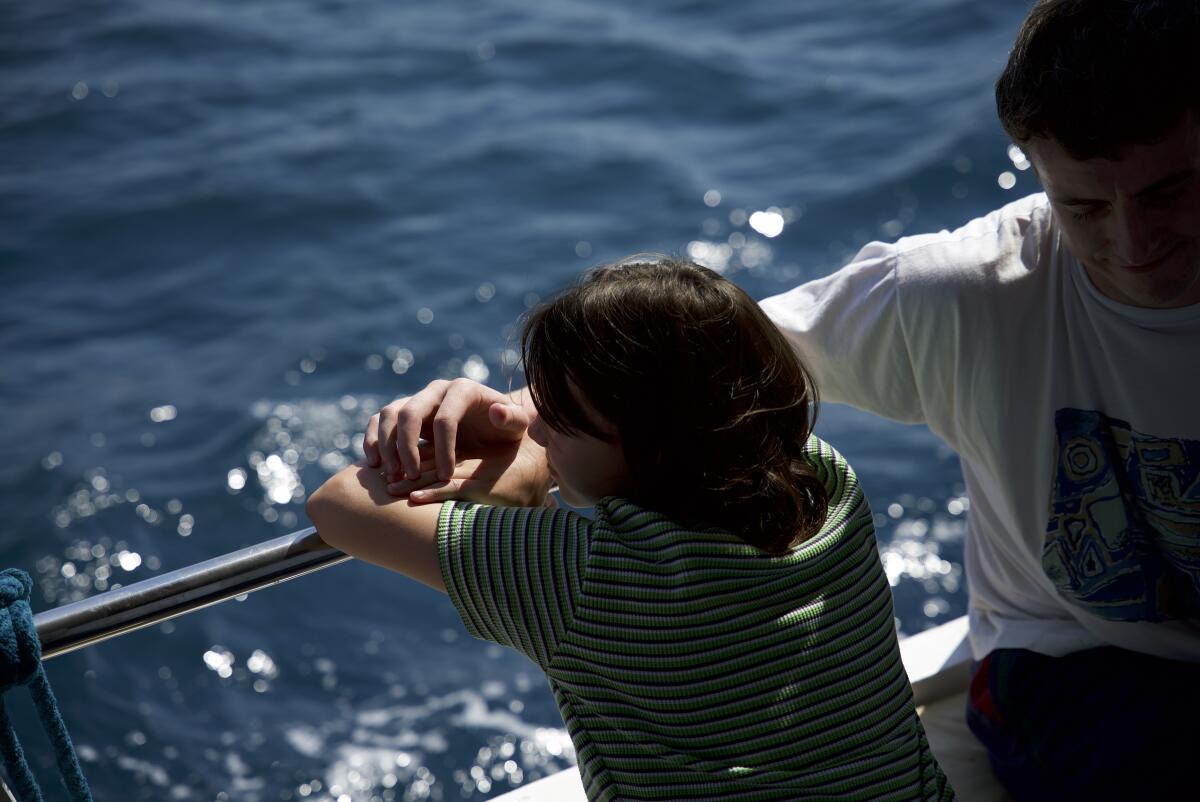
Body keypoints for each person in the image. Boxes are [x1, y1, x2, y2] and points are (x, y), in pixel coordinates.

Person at [367, 3, 1200, 800]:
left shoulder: (582, 584)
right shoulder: (959, 295)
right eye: (1083, 205)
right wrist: (520, 414)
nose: (1132, 243)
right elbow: (695, 374)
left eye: (1169, 193)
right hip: (1074, 667)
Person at [308, 257, 957, 801]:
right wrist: (551, 437)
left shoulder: (588, 577)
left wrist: (522, 464)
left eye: (561, 416)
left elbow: (338, 505)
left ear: (651, 444)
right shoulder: (825, 483)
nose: (534, 426)